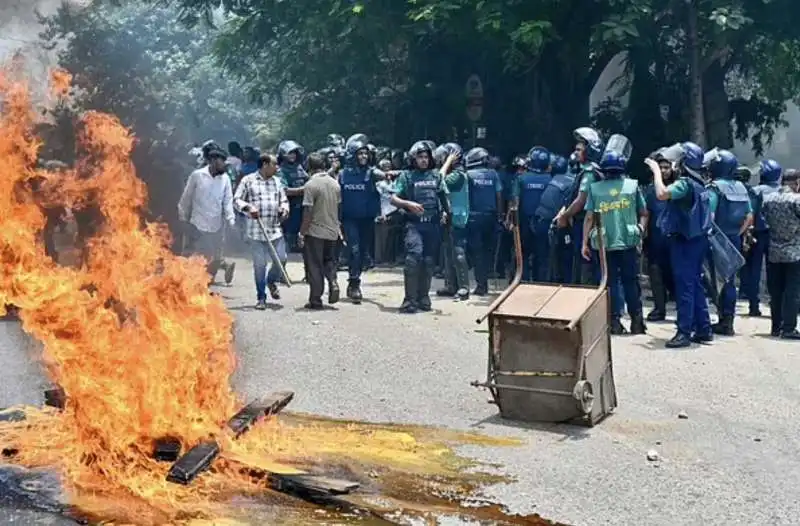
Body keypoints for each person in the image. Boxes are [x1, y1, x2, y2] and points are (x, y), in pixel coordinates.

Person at [646, 142, 713, 348]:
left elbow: (662, 194)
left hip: (684, 241)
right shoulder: (700, 182)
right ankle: (703, 328)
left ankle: (684, 331)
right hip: (697, 240)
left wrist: (656, 171)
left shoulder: (685, 184)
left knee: (684, 285)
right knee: (695, 284)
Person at [582, 147, 648, 335]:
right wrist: (640, 231)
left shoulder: (595, 189)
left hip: (603, 244)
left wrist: (584, 243)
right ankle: (637, 322)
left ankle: (614, 322)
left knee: (608, 282)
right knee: (631, 282)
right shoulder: (632, 186)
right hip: (628, 241)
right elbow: (644, 213)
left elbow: (588, 217)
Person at [391, 141, 450, 313]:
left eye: (426, 157)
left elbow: (444, 196)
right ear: (413, 159)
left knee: (429, 261)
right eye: (420, 157)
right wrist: (408, 204)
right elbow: (393, 198)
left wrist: (447, 214)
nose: (423, 160)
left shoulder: (436, 176)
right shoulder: (407, 176)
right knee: (413, 258)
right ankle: (409, 300)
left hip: (433, 225)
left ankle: (423, 297)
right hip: (413, 224)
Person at [234, 153, 289, 310]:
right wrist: (248, 207)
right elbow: (236, 200)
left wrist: (284, 209)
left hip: (274, 229)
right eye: (274, 164)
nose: (277, 168)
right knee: (260, 265)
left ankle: (271, 280)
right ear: (265, 165)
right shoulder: (248, 180)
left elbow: (283, 200)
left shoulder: (277, 182)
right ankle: (261, 297)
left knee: (282, 259)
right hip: (256, 231)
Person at [707, 149, 753, 336]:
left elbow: (709, 216)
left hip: (716, 238)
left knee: (714, 280)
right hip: (734, 238)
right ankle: (728, 320)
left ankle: (723, 321)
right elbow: (749, 216)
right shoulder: (741, 188)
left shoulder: (714, 188)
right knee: (730, 281)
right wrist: (738, 233)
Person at [177, 142, 236, 283]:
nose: (225, 165)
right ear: (213, 161)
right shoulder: (197, 176)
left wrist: (231, 219)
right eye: (222, 162)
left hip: (216, 226)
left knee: (214, 260)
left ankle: (205, 286)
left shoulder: (225, 179)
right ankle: (192, 285)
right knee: (196, 257)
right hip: (197, 225)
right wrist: (183, 219)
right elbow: (186, 199)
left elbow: (228, 201)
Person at [555, 127, 605, 285]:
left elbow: (580, 200)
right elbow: (572, 197)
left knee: (584, 262)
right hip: (581, 222)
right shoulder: (583, 171)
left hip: (584, 224)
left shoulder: (590, 173)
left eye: (579, 149)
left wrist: (565, 216)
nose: (576, 152)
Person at [339, 137, 382, 303]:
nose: (364, 156)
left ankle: (355, 278)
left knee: (363, 253)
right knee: (355, 250)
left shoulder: (372, 173)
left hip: (367, 219)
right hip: (349, 219)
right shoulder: (343, 175)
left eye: (366, 153)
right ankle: (354, 284)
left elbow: (384, 176)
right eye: (360, 153)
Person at [299, 153, 342, 310]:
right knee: (329, 261)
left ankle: (316, 300)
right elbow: (339, 208)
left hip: (315, 232)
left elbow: (308, 212)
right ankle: (333, 281)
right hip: (332, 231)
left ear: (309, 167)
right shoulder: (335, 184)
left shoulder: (311, 185)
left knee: (314, 266)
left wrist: (302, 233)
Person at [761, 168, 800, 340]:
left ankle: (776, 326)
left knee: (776, 291)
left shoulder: (769, 199)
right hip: (794, 253)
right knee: (792, 291)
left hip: (774, 251)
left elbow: (764, 218)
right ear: (796, 182)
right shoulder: (797, 200)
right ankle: (789, 327)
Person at [743, 159, 781, 316]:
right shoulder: (781, 191)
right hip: (777, 236)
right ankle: (776, 303)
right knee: (775, 271)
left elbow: (750, 214)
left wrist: (747, 234)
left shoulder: (756, 191)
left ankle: (754, 305)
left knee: (755, 270)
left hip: (758, 234)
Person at [643, 149, 677, 321]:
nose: (663, 171)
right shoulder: (650, 190)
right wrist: (643, 235)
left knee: (677, 274)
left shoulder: (677, 187)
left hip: (675, 239)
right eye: (660, 167)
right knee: (655, 274)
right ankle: (659, 308)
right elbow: (646, 213)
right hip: (656, 240)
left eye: (666, 167)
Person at [464, 147, 503, 296]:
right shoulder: (494, 174)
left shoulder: (468, 175)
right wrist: (500, 216)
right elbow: (499, 195)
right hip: (491, 217)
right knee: (488, 250)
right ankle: (486, 278)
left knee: (477, 252)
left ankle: (481, 285)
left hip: (474, 217)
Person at [510, 146, 552, 282]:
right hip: (544, 223)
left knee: (523, 254)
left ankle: (523, 282)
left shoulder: (521, 178)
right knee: (542, 255)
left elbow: (515, 202)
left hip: (524, 222)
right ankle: (541, 284)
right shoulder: (551, 179)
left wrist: (511, 221)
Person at [435, 144, 470, 301]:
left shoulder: (458, 175)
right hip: (449, 216)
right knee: (448, 253)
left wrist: (448, 162)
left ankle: (464, 287)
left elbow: (438, 180)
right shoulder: (454, 173)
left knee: (458, 253)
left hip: (457, 217)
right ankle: (451, 285)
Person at [535, 154, 575, 283]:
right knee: (560, 257)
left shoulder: (553, 179)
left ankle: (542, 282)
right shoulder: (572, 182)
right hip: (553, 223)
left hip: (540, 220)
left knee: (543, 257)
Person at [277, 140, 309, 252]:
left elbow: (309, 180)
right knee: (290, 234)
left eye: (294, 153)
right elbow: (284, 190)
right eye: (290, 153)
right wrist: (302, 190)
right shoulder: (281, 171)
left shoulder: (300, 168)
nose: (293, 156)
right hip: (289, 207)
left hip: (302, 206)